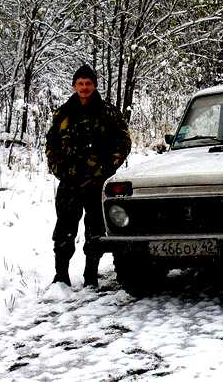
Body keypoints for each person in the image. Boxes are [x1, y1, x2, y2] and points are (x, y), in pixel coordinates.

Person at [45, 64, 131, 287]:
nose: (84, 88)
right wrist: (58, 169)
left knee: (95, 229)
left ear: (95, 85)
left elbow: (123, 143)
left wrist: (107, 168)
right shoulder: (63, 113)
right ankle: (61, 276)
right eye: (80, 84)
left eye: (88, 84)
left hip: (97, 182)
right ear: (74, 85)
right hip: (69, 182)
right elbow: (51, 145)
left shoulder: (109, 113)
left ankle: (91, 275)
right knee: (64, 229)